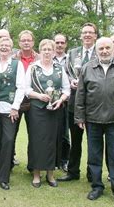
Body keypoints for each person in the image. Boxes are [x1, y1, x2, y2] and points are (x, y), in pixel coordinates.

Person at [75, 37, 114, 207]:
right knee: (94, 156)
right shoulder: (87, 68)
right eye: (101, 48)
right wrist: (79, 117)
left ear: (113, 49)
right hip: (93, 120)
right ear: (96, 50)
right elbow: (80, 94)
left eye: (107, 48)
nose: (104, 51)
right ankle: (97, 186)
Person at [25, 39, 70, 188]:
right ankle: (36, 174)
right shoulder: (32, 68)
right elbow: (26, 89)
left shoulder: (59, 68)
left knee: (53, 141)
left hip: (55, 110)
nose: (47, 51)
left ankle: (50, 174)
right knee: (37, 141)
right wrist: (39, 96)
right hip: (37, 110)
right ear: (40, 51)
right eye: (44, 49)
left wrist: (61, 100)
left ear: (53, 51)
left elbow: (66, 89)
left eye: (49, 49)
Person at [59, 23, 98, 182]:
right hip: (75, 104)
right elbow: (66, 72)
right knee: (75, 141)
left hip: (95, 105)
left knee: (93, 142)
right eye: (84, 32)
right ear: (81, 35)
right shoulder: (73, 53)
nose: (87, 35)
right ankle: (73, 172)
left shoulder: (100, 51)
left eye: (90, 32)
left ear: (95, 35)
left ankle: (92, 174)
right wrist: (71, 81)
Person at [0, 37, 25, 190]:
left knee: (8, 140)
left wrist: (15, 107)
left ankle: (4, 177)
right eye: (1, 45)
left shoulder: (17, 65)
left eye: (7, 46)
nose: (4, 48)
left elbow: (21, 87)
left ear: (12, 49)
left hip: (9, 110)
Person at [13, 30, 40, 168]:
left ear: (33, 42)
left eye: (28, 40)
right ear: (19, 43)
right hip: (16, 102)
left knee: (34, 135)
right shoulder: (12, 58)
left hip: (34, 101)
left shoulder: (40, 59)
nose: (26, 42)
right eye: (23, 40)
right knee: (11, 133)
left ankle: (32, 165)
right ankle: (9, 161)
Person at [53, 33, 70, 172]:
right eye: (57, 42)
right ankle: (52, 160)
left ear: (65, 44)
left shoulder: (70, 59)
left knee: (64, 133)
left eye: (61, 42)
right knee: (51, 132)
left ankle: (64, 160)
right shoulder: (47, 57)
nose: (59, 45)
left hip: (66, 100)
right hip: (49, 101)